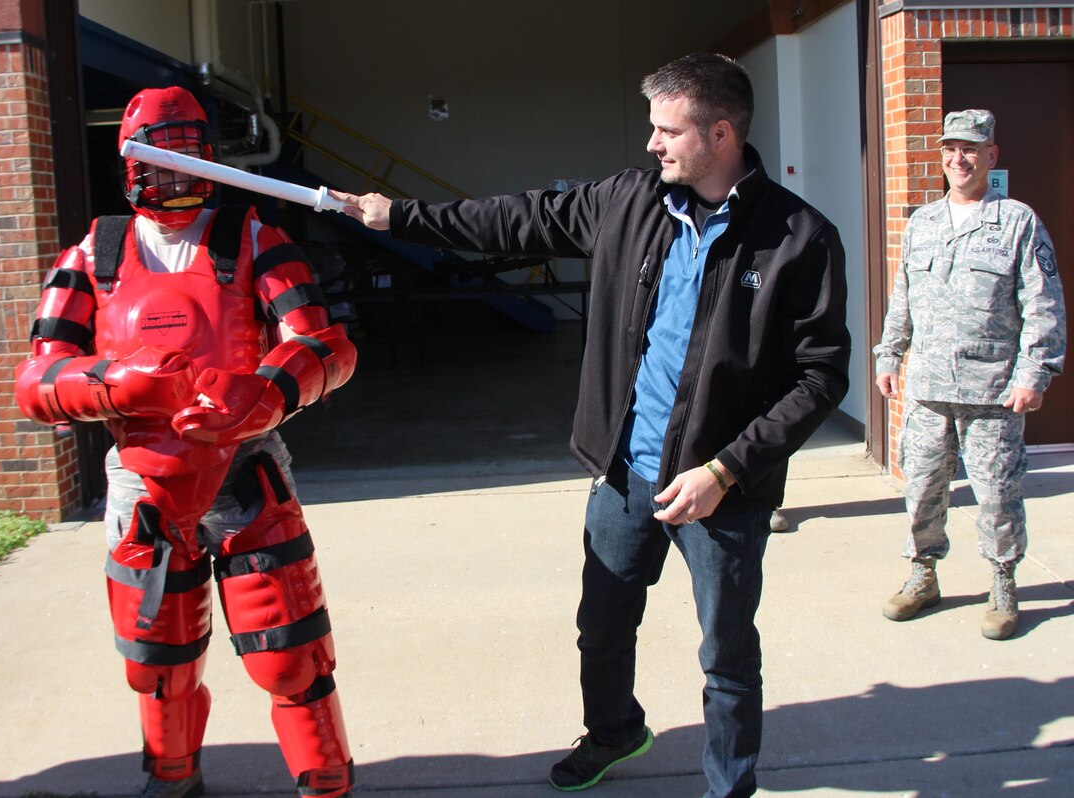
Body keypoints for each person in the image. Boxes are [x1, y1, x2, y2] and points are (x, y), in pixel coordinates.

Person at [334, 52, 850, 798]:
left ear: (721, 133)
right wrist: (403, 217)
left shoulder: (799, 237)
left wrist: (725, 470)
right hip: (624, 475)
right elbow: (516, 220)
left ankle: (730, 786)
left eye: (668, 131)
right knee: (602, 627)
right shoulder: (628, 202)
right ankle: (614, 732)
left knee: (727, 655)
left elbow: (821, 375)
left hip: (721, 494)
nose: (651, 145)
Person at [15, 87, 359, 798]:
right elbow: (37, 379)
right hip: (143, 488)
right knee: (158, 660)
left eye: (185, 153)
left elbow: (326, 344)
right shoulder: (93, 251)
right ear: (131, 162)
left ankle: (325, 782)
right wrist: (114, 384)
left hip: (246, 469)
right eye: (156, 157)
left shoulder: (255, 236)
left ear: (209, 155)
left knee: (291, 656)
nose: (172, 174)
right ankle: (171, 779)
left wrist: (264, 394)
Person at [874, 109, 1066, 641]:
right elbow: (903, 298)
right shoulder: (923, 223)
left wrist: (1035, 373)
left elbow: (1044, 305)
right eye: (950, 149)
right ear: (941, 156)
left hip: (993, 392)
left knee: (998, 494)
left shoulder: (1018, 222)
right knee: (923, 489)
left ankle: (1002, 583)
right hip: (929, 389)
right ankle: (923, 574)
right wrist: (889, 355)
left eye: (971, 149)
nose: (959, 159)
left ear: (991, 156)